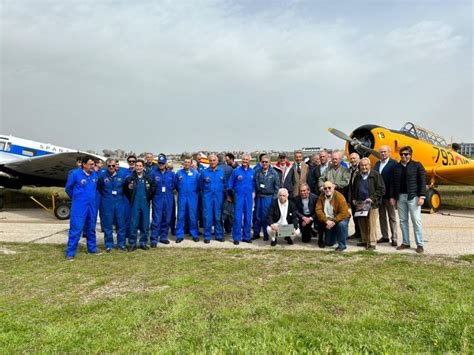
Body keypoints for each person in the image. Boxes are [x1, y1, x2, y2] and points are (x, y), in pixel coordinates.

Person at [390, 146, 426, 253]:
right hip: (400, 197)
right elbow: (392, 183)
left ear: (410, 155)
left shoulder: (417, 165)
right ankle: (406, 242)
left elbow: (422, 181)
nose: (404, 156)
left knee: (416, 220)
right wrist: (392, 197)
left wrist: (422, 196)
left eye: (406, 154)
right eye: (402, 154)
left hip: (413, 197)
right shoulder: (396, 167)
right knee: (403, 221)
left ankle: (420, 244)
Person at [65, 156, 99, 259]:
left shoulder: (94, 175)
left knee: (91, 228)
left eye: (93, 164)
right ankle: (70, 253)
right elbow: (68, 188)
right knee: (76, 228)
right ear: (84, 164)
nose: (92, 166)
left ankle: (92, 249)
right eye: (90, 164)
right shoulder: (75, 174)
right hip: (79, 205)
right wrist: (77, 197)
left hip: (92, 205)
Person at [351, 158, 385, 251]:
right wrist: (354, 198)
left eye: (366, 165)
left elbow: (381, 189)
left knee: (371, 223)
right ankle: (365, 240)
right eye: (362, 165)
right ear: (360, 166)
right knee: (362, 223)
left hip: (371, 204)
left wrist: (372, 198)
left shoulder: (375, 175)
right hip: (360, 203)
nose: (364, 167)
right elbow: (354, 188)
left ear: (370, 165)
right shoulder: (358, 176)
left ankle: (372, 243)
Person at [123, 159, 155, 251]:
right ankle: (132, 243)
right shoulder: (130, 178)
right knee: (133, 223)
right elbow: (126, 190)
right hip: (135, 203)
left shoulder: (148, 178)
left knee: (145, 223)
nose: (138, 167)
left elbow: (153, 189)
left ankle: (143, 242)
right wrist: (131, 198)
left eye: (140, 166)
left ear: (143, 167)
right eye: (137, 165)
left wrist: (148, 198)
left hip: (145, 203)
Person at [97, 158, 127, 252]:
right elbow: (99, 188)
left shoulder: (122, 175)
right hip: (107, 202)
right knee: (108, 225)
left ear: (116, 166)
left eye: (113, 165)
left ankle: (121, 244)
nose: (111, 167)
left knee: (121, 225)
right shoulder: (102, 176)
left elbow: (125, 188)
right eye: (109, 166)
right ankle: (109, 245)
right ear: (106, 166)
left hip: (119, 202)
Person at [228, 153, 255, 245]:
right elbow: (230, 184)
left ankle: (246, 237)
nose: (245, 161)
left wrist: (254, 192)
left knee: (248, 217)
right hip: (238, 197)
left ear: (249, 161)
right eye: (243, 160)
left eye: (246, 160)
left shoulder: (252, 172)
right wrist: (230, 195)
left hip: (248, 197)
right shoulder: (236, 171)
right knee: (237, 217)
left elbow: (255, 184)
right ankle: (236, 237)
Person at [374, 145, 398, 246]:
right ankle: (385, 236)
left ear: (389, 152)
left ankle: (394, 238)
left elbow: (395, 181)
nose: (383, 153)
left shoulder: (394, 164)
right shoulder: (377, 164)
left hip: (390, 196)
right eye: (381, 152)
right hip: (380, 196)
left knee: (392, 217)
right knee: (382, 217)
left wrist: (393, 196)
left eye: (384, 152)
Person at [316, 181, 350, 251]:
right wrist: (326, 221)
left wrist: (334, 222)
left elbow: (344, 212)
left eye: (329, 187)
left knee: (341, 225)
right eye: (325, 188)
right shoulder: (321, 196)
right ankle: (338, 235)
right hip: (329, 220)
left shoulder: (339, 196)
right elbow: (318, 210)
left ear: (333, 188)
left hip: (341, 218)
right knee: (329, 243)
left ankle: (342, 245)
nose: (327, 189)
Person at [252, 155, 280, 241]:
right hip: (259, 196)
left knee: (265, 216)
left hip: (268, 197)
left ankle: (266, 234)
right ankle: (256, 233)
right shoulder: (257, 172)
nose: (264, 163)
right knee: (257, 216)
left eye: (266, 162)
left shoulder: (274, 173)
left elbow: (277, 187)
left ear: (269, 163)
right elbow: (253, 183)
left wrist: (274, 199)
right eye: (263, 162)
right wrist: (254, 192)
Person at [150, 155, 175, 246]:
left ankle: (164, 237)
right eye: (159, 163)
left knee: (167, 218)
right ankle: (154, 239)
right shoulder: (153, 173)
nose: (161, 165)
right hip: (158, 198)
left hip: (168, 198)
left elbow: (174, 186)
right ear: (157, 163)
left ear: (165, 163)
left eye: (162, 163)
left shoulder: (171, 174)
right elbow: (150, 187)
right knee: (156, 219)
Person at [199, 154, 226, 243]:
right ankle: (207, 236)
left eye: (214, 160)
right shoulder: (204, 172)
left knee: (218, 216)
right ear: (208, 161)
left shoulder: (221, 172)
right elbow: (200, 185)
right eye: (210, 160)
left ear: (217, 161)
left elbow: (224, 184)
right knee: (207, 216)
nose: (212, 162)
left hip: (218, 197)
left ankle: (219, 235)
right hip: (207, 197)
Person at [175, 157, 200, 243]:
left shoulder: (196, 173)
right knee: (181, 216)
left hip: (192, 197)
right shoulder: (179, 173)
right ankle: (179, 235)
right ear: (183, 163)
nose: (186, 164)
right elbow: (176, 185)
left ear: (191, 163)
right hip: (182, 196)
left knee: (193, 216)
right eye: (185, 162)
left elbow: (199, 186)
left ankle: (194, 234)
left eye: (188, 162)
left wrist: (193, 193)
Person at [347, 152, 361, 240]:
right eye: (351, 158)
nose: (353, 160)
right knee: (355, 216)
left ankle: (363, 235)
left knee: (361, 217)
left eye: (354, 158)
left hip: (360, 197)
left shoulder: (361, 168)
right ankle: (357, 233)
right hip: (352, 197)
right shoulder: (349, 169)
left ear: (358, 158)